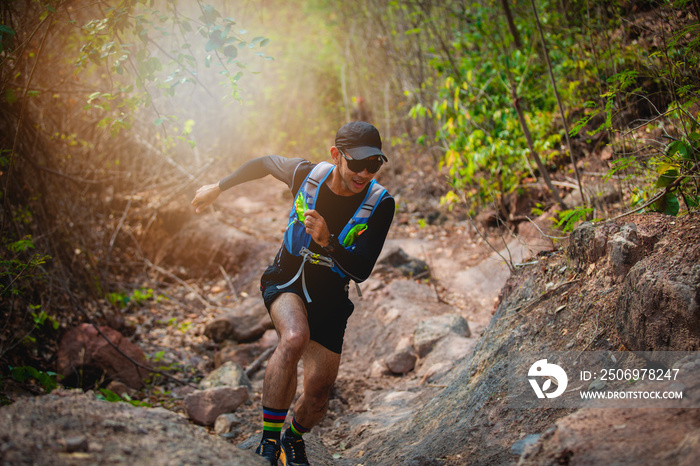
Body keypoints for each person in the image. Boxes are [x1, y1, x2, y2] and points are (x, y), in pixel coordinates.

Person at [191, 121, 395, 466]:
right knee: (294, 337)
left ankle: (293, 438)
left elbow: (361, 269)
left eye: (373, 164)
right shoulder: (306, 174)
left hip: (330, 296)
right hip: (285, 278)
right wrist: (219, 187)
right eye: (356, 163)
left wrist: (329, 242)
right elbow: (265, 163)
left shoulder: (381, 203)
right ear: (336, 155)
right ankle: (269, 442)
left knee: (318, 394)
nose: (364, 172)